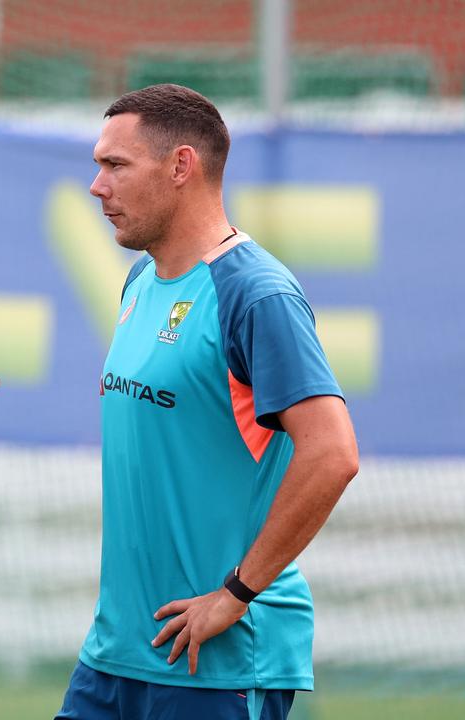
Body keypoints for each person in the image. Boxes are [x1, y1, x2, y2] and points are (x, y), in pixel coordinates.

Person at [56, 84, 359, 720]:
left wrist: (235, 594)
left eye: (115, 165)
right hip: (116, 654)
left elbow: (333, 454)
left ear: (181, 167)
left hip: (214, 663)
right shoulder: (141, 281)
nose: (96, 186)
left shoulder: (256, 294)